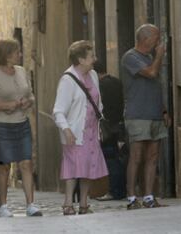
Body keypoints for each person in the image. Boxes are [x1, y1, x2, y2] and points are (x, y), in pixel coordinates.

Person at [0, 39, 42, 218]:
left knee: (27, 163)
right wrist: (4, 105)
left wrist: (29, 102)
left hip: (22, 123)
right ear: (6, 55)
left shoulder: (21, 71)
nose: (20, 54)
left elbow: (31, 95)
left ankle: (31, 205)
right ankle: (3, 206)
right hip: (1, 126)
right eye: (17, 51)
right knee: (4, 167)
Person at [53, 40, 108, 215]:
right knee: (73, 167)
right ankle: (68, 204)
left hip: (91, 130)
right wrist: (66, 129)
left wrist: (100, 116)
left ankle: (84, 203)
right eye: (92, 56)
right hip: (75, 132)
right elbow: (58, 111)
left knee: (88, 167)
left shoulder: (92, 75)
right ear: (81, 59)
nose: (95, 59)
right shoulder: (68, 80)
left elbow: (97, 101)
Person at [121, 24, 170, 209]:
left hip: (154, 114)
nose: (159, 42)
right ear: (146, 39)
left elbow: (155, 86)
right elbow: (151, 73)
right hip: (138, 114)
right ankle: (132, 197)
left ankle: (149, 196)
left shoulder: (150, 57)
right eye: (157, 38)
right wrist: (159, 56)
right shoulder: (130, 57)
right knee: (136, 156)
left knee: (153, 156)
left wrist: (164, 110)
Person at [93, 61, 126, 200]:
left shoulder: (99, 86)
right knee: (117, 158)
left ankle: (114, 191)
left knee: (110, 160)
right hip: (118, 125)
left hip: (106, 128)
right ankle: (121, 190)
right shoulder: (117, 82)